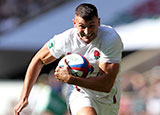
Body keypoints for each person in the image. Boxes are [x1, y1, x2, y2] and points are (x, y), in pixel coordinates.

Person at [14, 3, 123, 115]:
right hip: (80, 94)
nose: (87, 32)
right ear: (74, 23)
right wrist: (24, 97)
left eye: (91, 26)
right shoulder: (66, 39)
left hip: (108, 99)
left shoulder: (110, 39)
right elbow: (38, 60)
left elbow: (106, 84)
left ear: (99, 22)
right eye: (82, 26)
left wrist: (70, 79)